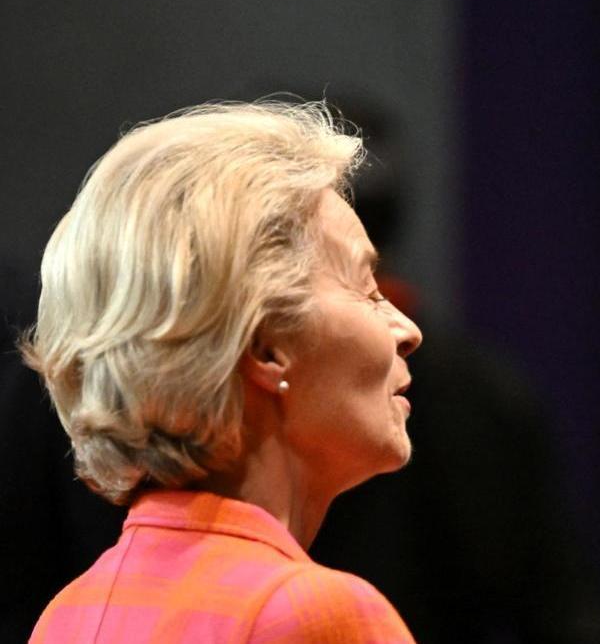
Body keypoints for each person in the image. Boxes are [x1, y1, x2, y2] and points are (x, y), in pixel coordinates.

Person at [22, 101, 423, 642]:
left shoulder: (68, 614)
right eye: (367, 290)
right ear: (264, 348)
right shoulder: (317, 614)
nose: (407, 329)